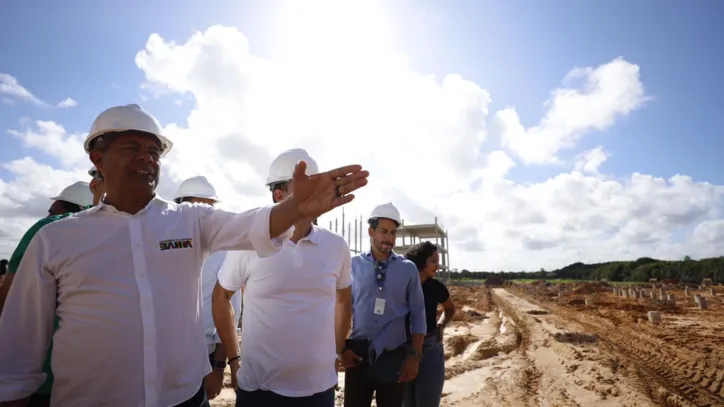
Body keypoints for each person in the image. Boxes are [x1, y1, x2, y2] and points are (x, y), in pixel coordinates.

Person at [0, 104, 368, 407]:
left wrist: (297, 209)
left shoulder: (190, 221)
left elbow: (252, 224)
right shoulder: (56, 239)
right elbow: (19, 353)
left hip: (185, 401)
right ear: (98, 157)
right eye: (132, 148)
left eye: (154, 152)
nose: (147, 159)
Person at [213, 148, 354, 407]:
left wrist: (336, 351)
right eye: (305, 188)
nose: (318, 193)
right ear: (279, 195)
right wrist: (234, 361)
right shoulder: (250, 243)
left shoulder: (336, 246)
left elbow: (344, 300)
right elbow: (221, 295)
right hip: (260, 392)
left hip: (319, 391)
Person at [0, 171, 103, 407]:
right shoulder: (119, 236)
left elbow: (11, 300)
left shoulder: (48, 229)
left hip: (37, 377)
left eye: (53, 209)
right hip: (92, 379)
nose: (48, 214)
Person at [342, 202, 426, 407]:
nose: (389, 238)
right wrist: (341, 349)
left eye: (393, 233)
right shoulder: (353, 265)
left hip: (393, 356)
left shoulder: (408, 269)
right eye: (384, 232)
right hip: (357, 355)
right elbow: (342, 310)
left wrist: (414, 357)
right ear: (371, 231)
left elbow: (418, 314)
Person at [172, 176, 242, 400]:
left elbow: (230, 312)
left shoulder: (224, 253)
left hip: (204, 358)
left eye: (208, 209)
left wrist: (220, 368)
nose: (202, 217)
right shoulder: (163, 247)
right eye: (195, 208)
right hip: (163, 355)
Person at [402, 241, 456, 407]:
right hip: (402, 350)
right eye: (433, 261)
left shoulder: (436, 287)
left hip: (430, 349)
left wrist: (441, 325)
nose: (437, 266)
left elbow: (450, 308)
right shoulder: (401, 285)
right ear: (420, 261)